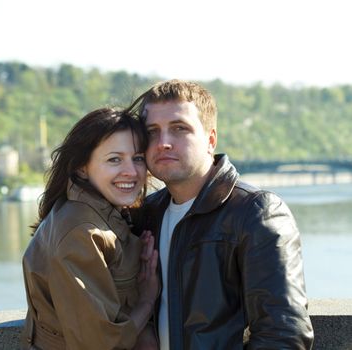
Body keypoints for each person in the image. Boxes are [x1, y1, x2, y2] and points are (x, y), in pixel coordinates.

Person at [127, 79, 314, 349]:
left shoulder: (256, 213)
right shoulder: (146, 213)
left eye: (179, 129)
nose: (163, 143)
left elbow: (284, 335)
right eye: (152, 132)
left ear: (210, 139)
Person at [21, 107, 159, 349]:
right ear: (82, 167)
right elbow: (100, 344)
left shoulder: (96, 212)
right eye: (114, 159)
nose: (131, 171)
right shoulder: (82, 232)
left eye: (137, 158)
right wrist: (147, 299)